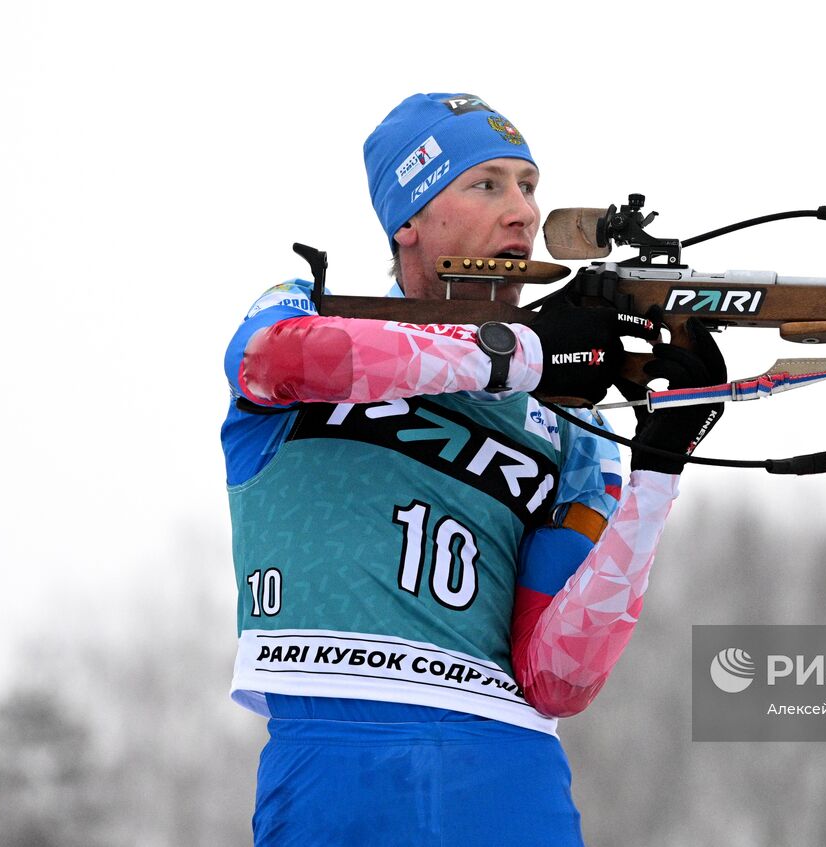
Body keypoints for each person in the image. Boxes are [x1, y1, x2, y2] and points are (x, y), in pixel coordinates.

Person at [220, 92, 725, 846]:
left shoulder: (575, 424)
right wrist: (517, 355)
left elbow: (559, 676)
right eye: (486, 184)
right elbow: (275, 361)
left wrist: (659, 468)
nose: (522, 212)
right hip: (338, 758)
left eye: (529, 186)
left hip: (509, 766)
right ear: (409, 219)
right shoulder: (307, 311)